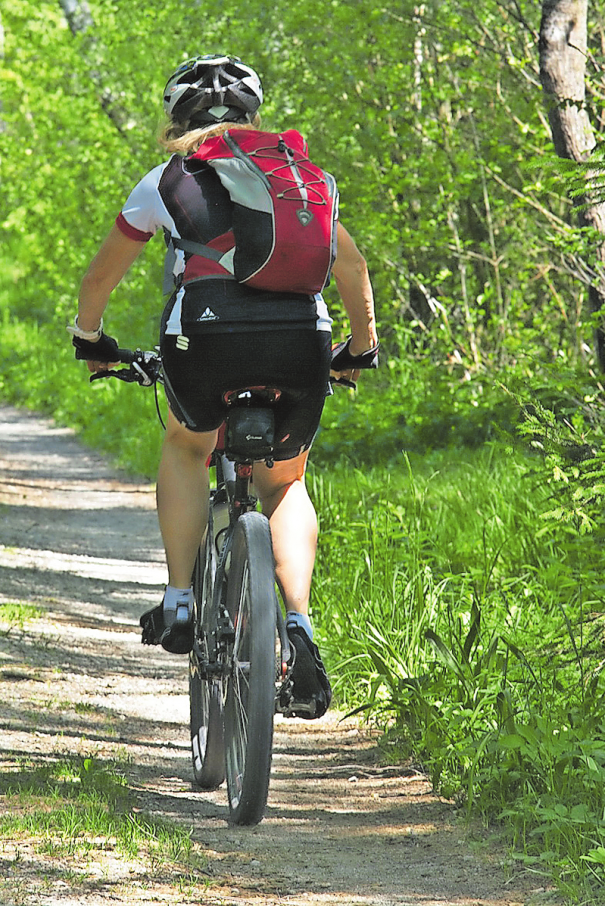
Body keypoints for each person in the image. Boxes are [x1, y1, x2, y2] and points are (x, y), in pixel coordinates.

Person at [70, 54, 379, 719]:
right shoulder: (299, 176)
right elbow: (350, 266)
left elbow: (99, 281)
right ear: (252, 116)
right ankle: (298, 625)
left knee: (186, 445)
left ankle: (181, 599)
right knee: (286, 483)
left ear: (175, 118)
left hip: (206, 343)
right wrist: (360, 350)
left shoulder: (166, 181)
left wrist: (90, 342)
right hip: (302, 341)